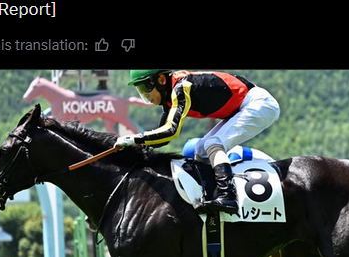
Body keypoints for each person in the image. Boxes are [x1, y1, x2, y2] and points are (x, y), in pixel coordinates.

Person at [115, 70, 280, 214]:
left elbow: (170, 131)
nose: (145, 96)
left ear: (161, 80)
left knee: (213, 143)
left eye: (145, 88)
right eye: (140, 90)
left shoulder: (180, 88)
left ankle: (228, 195)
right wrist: (134, 146)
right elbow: (161, 139)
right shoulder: (169, 95)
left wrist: (134, 139)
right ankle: (210, 194)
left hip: (258, 104)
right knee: (201, 149)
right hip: (242, 107)